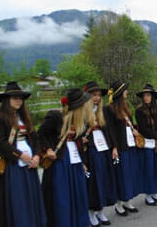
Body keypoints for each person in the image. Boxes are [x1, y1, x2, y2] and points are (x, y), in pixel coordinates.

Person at [39, 88, 91, 227]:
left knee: (77, 193)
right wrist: (48, 149)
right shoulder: (55, 116)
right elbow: (41, 134)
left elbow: (79, 142)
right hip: (60, 162)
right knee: (62, 196)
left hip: (74, 160)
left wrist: (83, 162)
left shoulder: (79, 120)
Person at [0, 81, 46, 227]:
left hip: (30, 164)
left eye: (20, 98)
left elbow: (35, 139)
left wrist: (37, 155)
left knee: (31, 196)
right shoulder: (0, 118)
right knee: (19, 199)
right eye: (15, 98)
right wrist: (19, 155)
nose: (19, 101)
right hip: (13, 166)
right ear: (7, 100)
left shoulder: (24, 118)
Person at [103, 81, 140, 216]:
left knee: (130, 173)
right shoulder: (109, 108)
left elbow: (129, 123)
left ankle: (127, 200)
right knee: (121, 175)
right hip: (121, 146)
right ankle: (119, 204)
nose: (127, 92)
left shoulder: (125, 107)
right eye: (125, 90)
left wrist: (135, 130)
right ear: (119, 93)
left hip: (130, 144)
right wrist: (114, 147)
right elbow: (110, 129)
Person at [83, 81, 116, 226]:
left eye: (98, 95)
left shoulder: (102, 112)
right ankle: (91, 212)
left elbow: (109, 132)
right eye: (93, 95)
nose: (96, 98)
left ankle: (101, 211)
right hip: (91, 150)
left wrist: (113, 147)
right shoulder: (82, 113)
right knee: (93, 182)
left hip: (103, 148)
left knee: (104, 178)